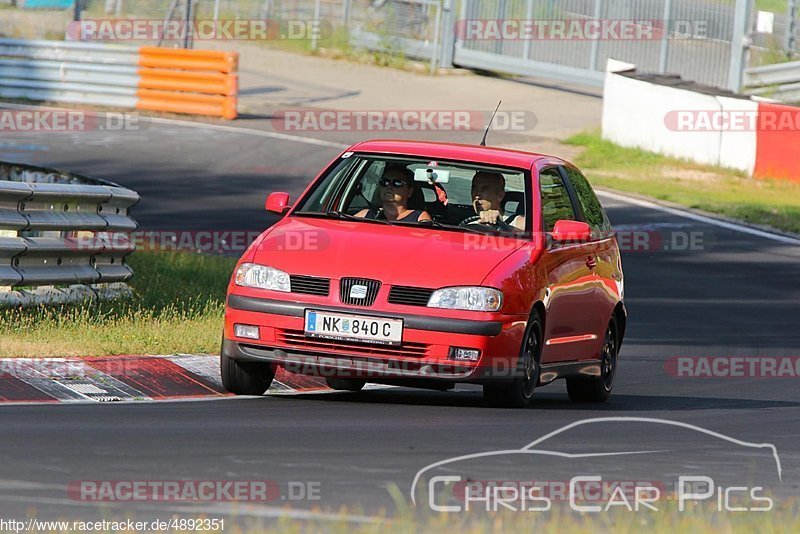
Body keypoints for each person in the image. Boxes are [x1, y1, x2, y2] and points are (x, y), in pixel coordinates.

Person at [356, 164, 432, 222]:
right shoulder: (365, 215)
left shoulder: (419, 218)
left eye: (397, 183)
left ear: (409, 192)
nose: (389, 186)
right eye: (385, 182)